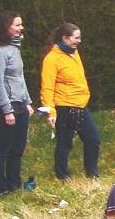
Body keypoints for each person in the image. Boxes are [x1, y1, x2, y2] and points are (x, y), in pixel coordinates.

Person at [41, 22, 101, 180]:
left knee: (93, 139)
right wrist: (50, 111)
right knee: (65, 143)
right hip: (64, 106)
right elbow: (47, 87)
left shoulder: (74, 53)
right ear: (65, 38)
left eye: (79, 37)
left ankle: (92, 172)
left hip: (81, 105)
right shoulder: (52, 58)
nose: (78, 41)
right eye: (76, 38)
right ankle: (62, 175)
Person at [0, 16, 30, 197]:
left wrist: (27, 101)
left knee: (17, 148)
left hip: (20, 105)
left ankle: (14, 183)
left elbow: (20, 77)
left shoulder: (15, 49)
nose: (21, 28)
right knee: (3, 148)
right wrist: (7, 109)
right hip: (5, 106)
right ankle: (0, 187)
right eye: (17, 25)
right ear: (6, 27)